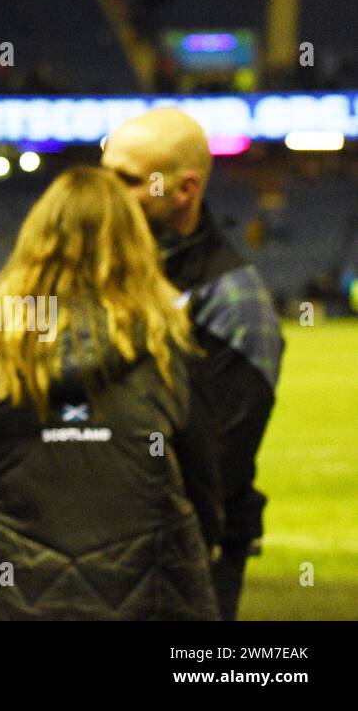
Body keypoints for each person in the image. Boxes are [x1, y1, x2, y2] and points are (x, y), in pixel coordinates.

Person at [0, 167, 223, 621]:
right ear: (133, 243)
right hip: (157, 595)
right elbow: (204, 490)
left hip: (28, 597)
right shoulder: (166, 341)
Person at [102, 108, 284, 619]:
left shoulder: (234, 301)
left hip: (185, 562)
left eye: (128, 180)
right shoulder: (96, 271)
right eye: (104, 173)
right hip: (95, 550)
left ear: (184, 190)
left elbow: (216, 465)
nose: (106, 193)